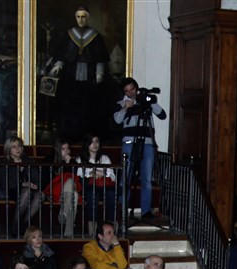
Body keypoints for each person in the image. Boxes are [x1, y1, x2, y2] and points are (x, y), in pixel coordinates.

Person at [50, 6, 110, 144]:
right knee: (69, 108)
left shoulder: (95, 36)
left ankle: (86, 136)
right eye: (78, 17)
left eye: (83, 17)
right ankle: (69, 135)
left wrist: (99, 74)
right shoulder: (69, 34)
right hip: (70, 77)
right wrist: (58, 65)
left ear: (87, 18)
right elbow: (63, 54)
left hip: (89, 79)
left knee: (88, 108)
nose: (81, 20)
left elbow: (100, 58)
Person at [114, 77, 167, 222]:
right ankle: (122, 209)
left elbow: (162, 115)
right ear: (124, 92)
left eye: (132, 89)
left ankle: (146, 211)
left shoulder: (145, 101)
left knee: (147, 178)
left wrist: (150, 102)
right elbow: (117, 120)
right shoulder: (121, 103)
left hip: (148, 143)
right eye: (127, 91)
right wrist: (126, 107)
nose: (131, 93)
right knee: (126, 176)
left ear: (136, 88)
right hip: (129, 142)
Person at [0, 136, 42, 235]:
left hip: (30, 189)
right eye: (14, 147)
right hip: (12, 189)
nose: (17, 149)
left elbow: (37, 179)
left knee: (41, 195)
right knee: (27, 192)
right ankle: (15, 223)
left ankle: (24, 223)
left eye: (19, 146)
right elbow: (6, 182)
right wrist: (23, 184)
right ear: (9, 149)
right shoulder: (3, 163)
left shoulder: (28, 161)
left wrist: (34, 185)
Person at [77, 133, 116, 236]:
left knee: (111, 193)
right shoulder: (80, 159)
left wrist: (103, 173)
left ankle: (111, 225)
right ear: (87, 144)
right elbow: (79, 174)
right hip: (89, 185)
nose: (95, 144)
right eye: (92, 142)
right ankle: (92, 226)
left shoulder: (105, 158)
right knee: (92, 193)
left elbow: (113, 175)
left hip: (104, 184)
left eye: (97, 142)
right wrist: (91, 173)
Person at [47, 139, 80, 238]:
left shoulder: (73, 161)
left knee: (73, 192)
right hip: (56, 190)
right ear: (57, 150)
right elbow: (48, 179)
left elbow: (76, 177)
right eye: (63, 149)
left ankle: (64, 215)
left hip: (68, 192)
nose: (66, 151)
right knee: (72, 191)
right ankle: (67, 224)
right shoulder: (50, 160)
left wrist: (68, 163)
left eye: (67, 148)